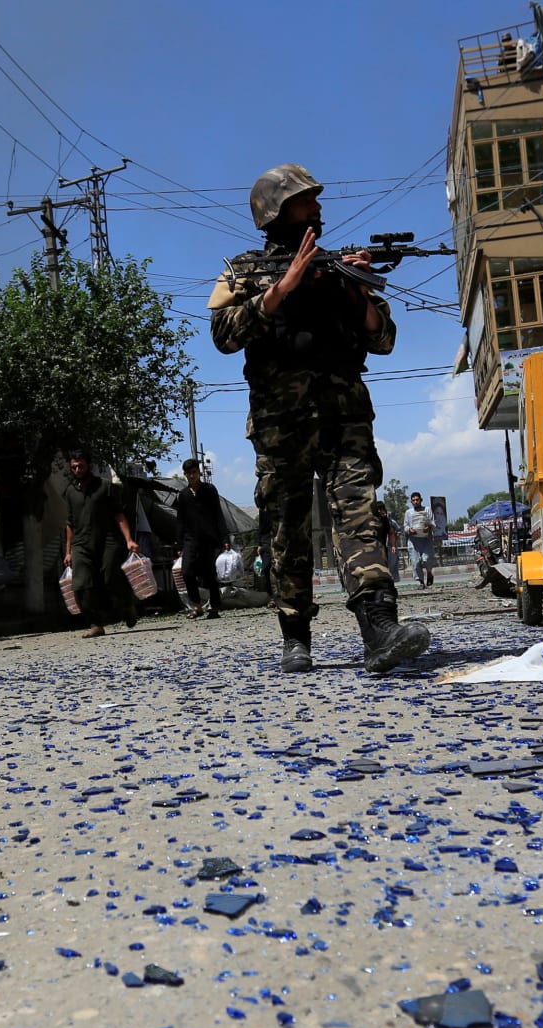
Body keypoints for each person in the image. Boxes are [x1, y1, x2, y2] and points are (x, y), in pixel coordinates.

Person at [208, 164, 432, 675]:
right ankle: (295, 637)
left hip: (345, 419)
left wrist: (357, 292)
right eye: (307, 201)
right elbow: (223, 335)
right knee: (287, 530)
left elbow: (384, 339)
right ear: (277, 211)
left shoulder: (340, 268)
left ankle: (380, 631)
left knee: (361, 519)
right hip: (280, 426)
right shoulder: (244, 271)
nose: (318, 208)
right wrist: (281, 288)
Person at [62, 447, 139, 638]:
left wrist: (129, 539)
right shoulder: (70, 491)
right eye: (74, 467)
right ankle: (96, 623)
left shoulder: (105, 487)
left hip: (108, 540)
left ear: (89, 466)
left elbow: (119, 515)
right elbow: (69, 523)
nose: (77, 470)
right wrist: (68, 551)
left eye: (80, 466)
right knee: (80, 585)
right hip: (81, 543)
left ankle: (127, 605)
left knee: (110, 576)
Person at [172, 458, 228, 618]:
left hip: (209, 539)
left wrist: (224, 538)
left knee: (209, 574)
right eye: (189, 473)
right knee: (187, 572)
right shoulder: (183, 496)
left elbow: (218, 514)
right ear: (185, 475)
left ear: (199, 472)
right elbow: (180, 521)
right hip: (190, 539)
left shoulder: (209, 490)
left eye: (194, 472)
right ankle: (197, 606)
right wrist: (179, 544)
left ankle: (215, 606)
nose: (192, 476)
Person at [404, 491, 437, 589]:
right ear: (411, 502)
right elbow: (405, 526)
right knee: (415, 562)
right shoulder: (408, 513)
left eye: (417, 500)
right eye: (413, 500)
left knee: (426, 559)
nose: (415, 502)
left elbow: (433, 523)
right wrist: (409, 530)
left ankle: (429, 573)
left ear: (421, 500)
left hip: (426, 539)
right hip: (414, 541)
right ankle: (421, 582)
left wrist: (429, 527)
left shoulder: (427, 510)